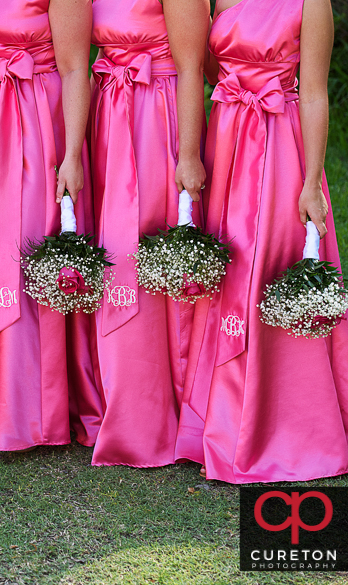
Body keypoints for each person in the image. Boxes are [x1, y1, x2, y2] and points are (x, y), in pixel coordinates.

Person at [176, 0, 348, 482]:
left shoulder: (311, 4)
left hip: (280, 145)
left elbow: (314, 94)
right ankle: (217, 421)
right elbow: (209, 69)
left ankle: (280, 427)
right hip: (229, 136)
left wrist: (311, 181)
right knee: (228, 272)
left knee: (268, 269)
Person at [0, 0, 95, 451]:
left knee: (25, 252)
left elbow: (74, 69)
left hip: (33, 115)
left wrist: (71, 155)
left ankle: (32, 411)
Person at [87, 0, 208, 467]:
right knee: (114, 253)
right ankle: (121, 396)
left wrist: (188, 153)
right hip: (112, 111)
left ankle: (159, 412)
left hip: (156, 115)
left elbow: (191, 65)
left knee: (147, 253)